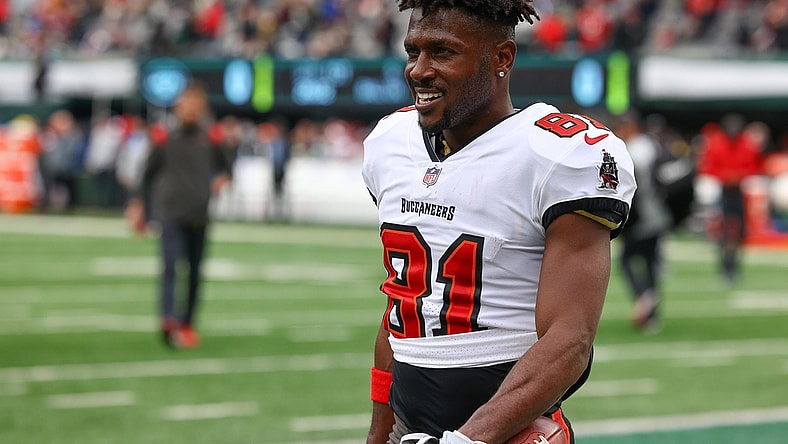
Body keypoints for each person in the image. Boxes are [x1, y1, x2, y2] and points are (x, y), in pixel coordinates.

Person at [361, 2, 636, 444]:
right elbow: (403, 308)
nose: (419, 70)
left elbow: (570, 340)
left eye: (443, 52)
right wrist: (381, 433)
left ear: (501, 58)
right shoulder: (390, 143)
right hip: (411, 425)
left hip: (513, 429)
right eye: (413, 51)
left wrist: (467, 440)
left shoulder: (558, 154)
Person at [125, 81, 232, 349]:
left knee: (195, 271)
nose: (191, 109)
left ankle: (187, 322)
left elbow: (227, 166)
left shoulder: (212, 137)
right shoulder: (164, 137)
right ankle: (168, 319)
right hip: (170, 211)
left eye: (196, 103)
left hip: (199, 212)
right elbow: (146, 174)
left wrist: (222, 178)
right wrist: (138, 205)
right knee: (170, 267)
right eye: (187, 102)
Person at [614, 112, 672, 333]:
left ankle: (643, 296)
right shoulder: (651, 146)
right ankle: (651, 315)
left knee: (628, 260)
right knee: (649, 262)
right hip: (657, 213)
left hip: (642, 215)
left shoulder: (634, 149)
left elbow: (633, 186)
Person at [697, 113, 763, 283]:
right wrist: (726, 176)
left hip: (739, 191)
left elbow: (754, 167)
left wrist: (737, 176)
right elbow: (708, 167)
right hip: (722, 191)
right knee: (724, 230)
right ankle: (725, 266)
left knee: (740, 230)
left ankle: (734, 265)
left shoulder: (747, 144)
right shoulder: (716, 143)